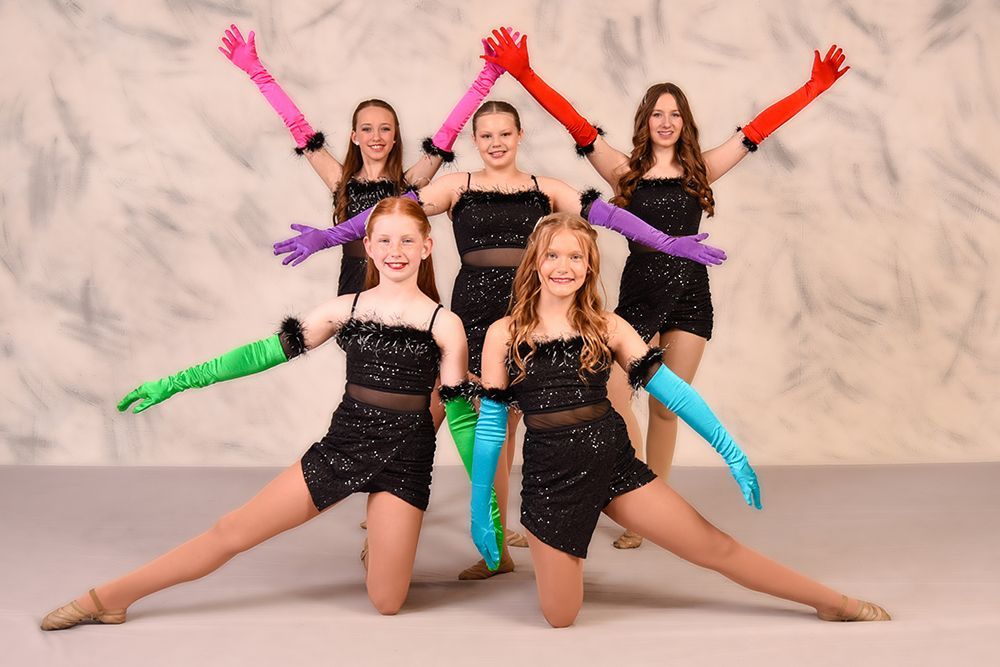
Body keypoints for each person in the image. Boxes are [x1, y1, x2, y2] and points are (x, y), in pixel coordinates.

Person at [274, 100, 726, 578]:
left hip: (528, 317)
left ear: (519, 135)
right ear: (475, 141)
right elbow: (393, 217)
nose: (495, 143)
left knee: (506, 428)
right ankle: (397, 518)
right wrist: (325, 239)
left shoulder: (544, 188)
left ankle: (505, 545)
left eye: (504, 134)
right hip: (471, 318)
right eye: (486, 135)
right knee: (426, 413)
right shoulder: (456, 186)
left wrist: (668, 243)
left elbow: (611, 218)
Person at [484, 27, 850, 548]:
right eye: (658, 112)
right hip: (639, 294)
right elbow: (574, 122)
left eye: (675, 113)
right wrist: (524, 74)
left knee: (665, 405)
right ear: (645, 121)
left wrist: (811, 89)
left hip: (690, 296)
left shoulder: (702, 170)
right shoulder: (623, 172)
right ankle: (617, 490)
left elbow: (757, 131)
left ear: (685, 123)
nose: (666, 121)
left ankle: (653, 508)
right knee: (611, 393)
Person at [40, 198, 473, 629]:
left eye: (406, 240)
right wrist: (177, 381)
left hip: (406, 459)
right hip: (346, 445)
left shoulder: (444, 322)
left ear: (427, 246)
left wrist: (485, 500)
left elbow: (455, 410)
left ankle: (379, 547)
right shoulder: (344, 309)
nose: (395, 250)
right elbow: (261, 354)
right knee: (231, 532)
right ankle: (107, 597)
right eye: (385, 240)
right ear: (369, 245)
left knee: (387, 602)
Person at [468, 212, 889, 627]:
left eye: (576, 257)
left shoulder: (607, 326)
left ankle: (832, 601)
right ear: (535, 262)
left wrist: (731, 450)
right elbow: (490, 427)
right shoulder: (504, 333)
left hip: (611, 464)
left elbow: (673, 392)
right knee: (561, 617)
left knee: (715, 546)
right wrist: (481, 505)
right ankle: (566, 555)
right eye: (553, 256)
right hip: (552, 479)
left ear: (590, 265)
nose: (564, 267)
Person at [219, 23, 509, 294]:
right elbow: (296, 124)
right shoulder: (340, 179)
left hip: (400, 282)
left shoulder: (407, 184)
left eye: (385, 129)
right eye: (367, 129)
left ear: (395, 137)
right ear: (354, 136)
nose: (376, 137)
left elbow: (448, 131)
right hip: (355, 283)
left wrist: (487, 77)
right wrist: (256, 71)